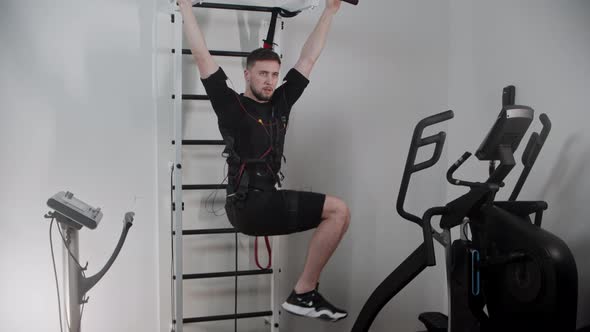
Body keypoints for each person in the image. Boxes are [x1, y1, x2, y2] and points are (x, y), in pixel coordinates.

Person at [178, 0, 350, 322]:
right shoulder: (231, 106)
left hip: (264, 202)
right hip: (248, 207)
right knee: (338, 211)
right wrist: (186, 7)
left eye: (274, 74)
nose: (269, 81)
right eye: (262, 75)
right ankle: (303, 293)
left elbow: (309, 57)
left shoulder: (281, 102)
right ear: (247, 74)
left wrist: (330, 10)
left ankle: (304, 292)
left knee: (338, 214)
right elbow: (202, 58)